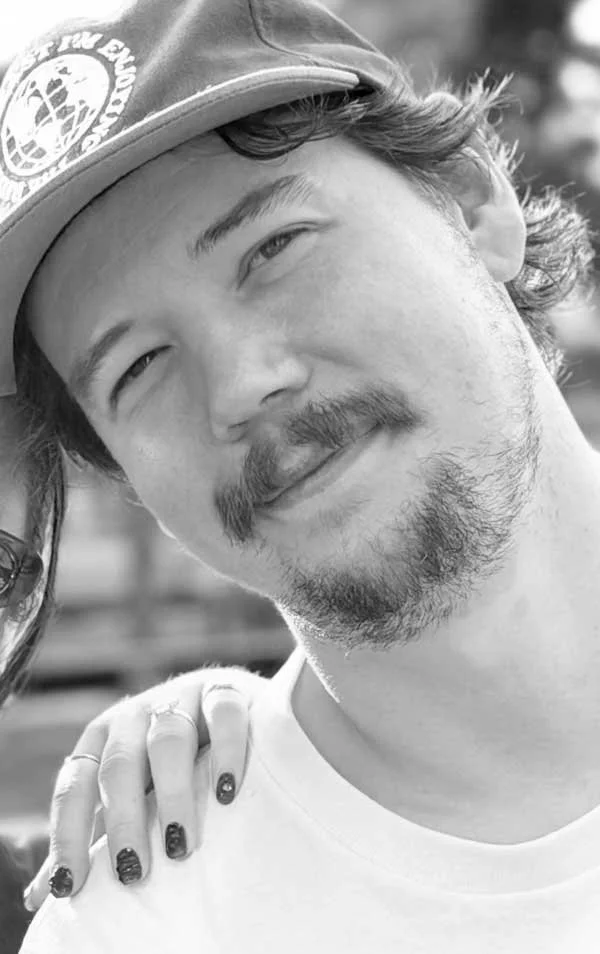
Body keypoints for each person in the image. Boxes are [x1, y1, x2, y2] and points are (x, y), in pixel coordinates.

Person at [0, 0, 598, 948]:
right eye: (138, 368)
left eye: (274, 247)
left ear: (475, 205)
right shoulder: (144, 924)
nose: (240, 385)